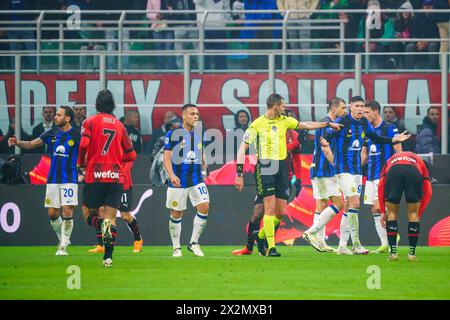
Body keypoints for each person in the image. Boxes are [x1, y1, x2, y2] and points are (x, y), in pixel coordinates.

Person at [234, 93, 343, 257]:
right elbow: (243, 148)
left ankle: (262, 236)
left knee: (281, 211)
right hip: (266, 166)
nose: (284, 109)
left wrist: (327, 124)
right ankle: (271, 248)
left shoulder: (284, 121)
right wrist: (239, 173)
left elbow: (306, 125)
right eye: (283, 106)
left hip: (282, 166)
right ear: (275, 106)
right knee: (268, 207)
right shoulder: (257, 124)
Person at [303, 96, 411, 255]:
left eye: (362, 106)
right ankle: (314, 232)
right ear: (351, 107)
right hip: (343, 169)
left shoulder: (364, 123)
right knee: (354, 203)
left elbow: (376, 138)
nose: (360, 109)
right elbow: (324, 136)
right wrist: (325, 143)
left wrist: (395, 139)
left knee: (349, 206)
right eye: (357, 106)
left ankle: (344, 246)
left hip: (357, 171)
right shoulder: (343, 121)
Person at [8, 106, 80, 256]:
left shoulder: (76, 134)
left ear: (67, 118)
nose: (55, 117)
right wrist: (17, 142)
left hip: (70, 178)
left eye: (59, 115)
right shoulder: (51, 133)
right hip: (53, 178)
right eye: (56, 115)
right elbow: (32, 144)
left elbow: (87, 151)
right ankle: (61, 237)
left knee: (67, 209)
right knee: (53, 213)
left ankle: (63, 246)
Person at [78, 89, 137, 267]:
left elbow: (83, 144)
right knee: (111, 217)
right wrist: (117, 159)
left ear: (97, 104)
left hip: (95, 174)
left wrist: (82, 162)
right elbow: (131, 155)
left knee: (87, 213)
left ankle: (101, 229)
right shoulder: (120, 126)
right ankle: (108, 257)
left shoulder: (90, 122)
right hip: (114, 176)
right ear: (113, 106)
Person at [231, 127, 302, 256]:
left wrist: (299, 178)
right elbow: (279, 150)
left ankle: (264, 242)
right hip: (267, 173)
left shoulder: (294, 134)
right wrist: (295, 143)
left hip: (285, 177)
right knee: (259, 212)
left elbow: (296, 158)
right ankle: (249, 247)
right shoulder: (269, 130)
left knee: (279, 212)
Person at [164, 104, 209, 257]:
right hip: (179, 181)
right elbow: (166, 157)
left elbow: (202, 153)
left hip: (196, 179)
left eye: (197, 114)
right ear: (184, 116)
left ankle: (194, 243)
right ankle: (176, 247)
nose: (195, 116)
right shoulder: (172, 133)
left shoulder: (200, 133)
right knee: (177, 213)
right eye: (192, 114)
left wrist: (203, 170)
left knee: (204, 207)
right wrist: (171, 175)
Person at [361, 100, 402, 254]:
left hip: (385, 174)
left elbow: (398, 151)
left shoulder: (390, 128)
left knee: (380, 207)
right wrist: (358, 167)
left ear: (376, 112)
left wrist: (396, 170)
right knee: (374, 209)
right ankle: (385, 243)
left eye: (367, 112)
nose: (364, 115)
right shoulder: (367, 130)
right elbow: (364, 153)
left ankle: (394, 236)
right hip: (370, 175)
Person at [308, 97, 347, 253]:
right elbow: (325, 147)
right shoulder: (326, 123)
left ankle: (320, 241)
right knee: (338, 203)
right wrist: (335, 166)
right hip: (324, 169)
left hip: (321, 169)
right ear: (334, 108)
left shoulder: (328, 123)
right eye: (342, 108)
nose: (344, 111)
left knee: (322, 204)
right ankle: (313, 235)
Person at [378, 151, 432, 261]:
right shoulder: (419, 160)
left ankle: (393, 253)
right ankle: (411, 254)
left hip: (394, 171)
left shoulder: (390, 159)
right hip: (413, 171)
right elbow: (428, 191)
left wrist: (383, 210)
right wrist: (419, 213)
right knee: (413, 214)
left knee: (392, 212)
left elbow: (381, 186)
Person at [87, 160, 144, 254]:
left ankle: (138, 240)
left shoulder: (124, 145)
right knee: (101, 211)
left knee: (125, 216)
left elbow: (130, 160)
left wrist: (121, 173)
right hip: (107, 182)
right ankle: (102, 245)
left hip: (123, 184)